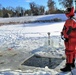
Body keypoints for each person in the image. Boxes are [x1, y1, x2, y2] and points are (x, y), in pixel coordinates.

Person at [60, 7, 76, 72]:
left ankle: (68, 66)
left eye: (67, 11)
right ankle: (72, 63)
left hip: (70, 39)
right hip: (73, 39)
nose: (66, 13)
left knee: (69, 52)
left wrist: (65, 37)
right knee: (73, 51)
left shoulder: (70, 20)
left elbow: (69, 29)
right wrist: (62, 33)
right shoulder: (73, 19)